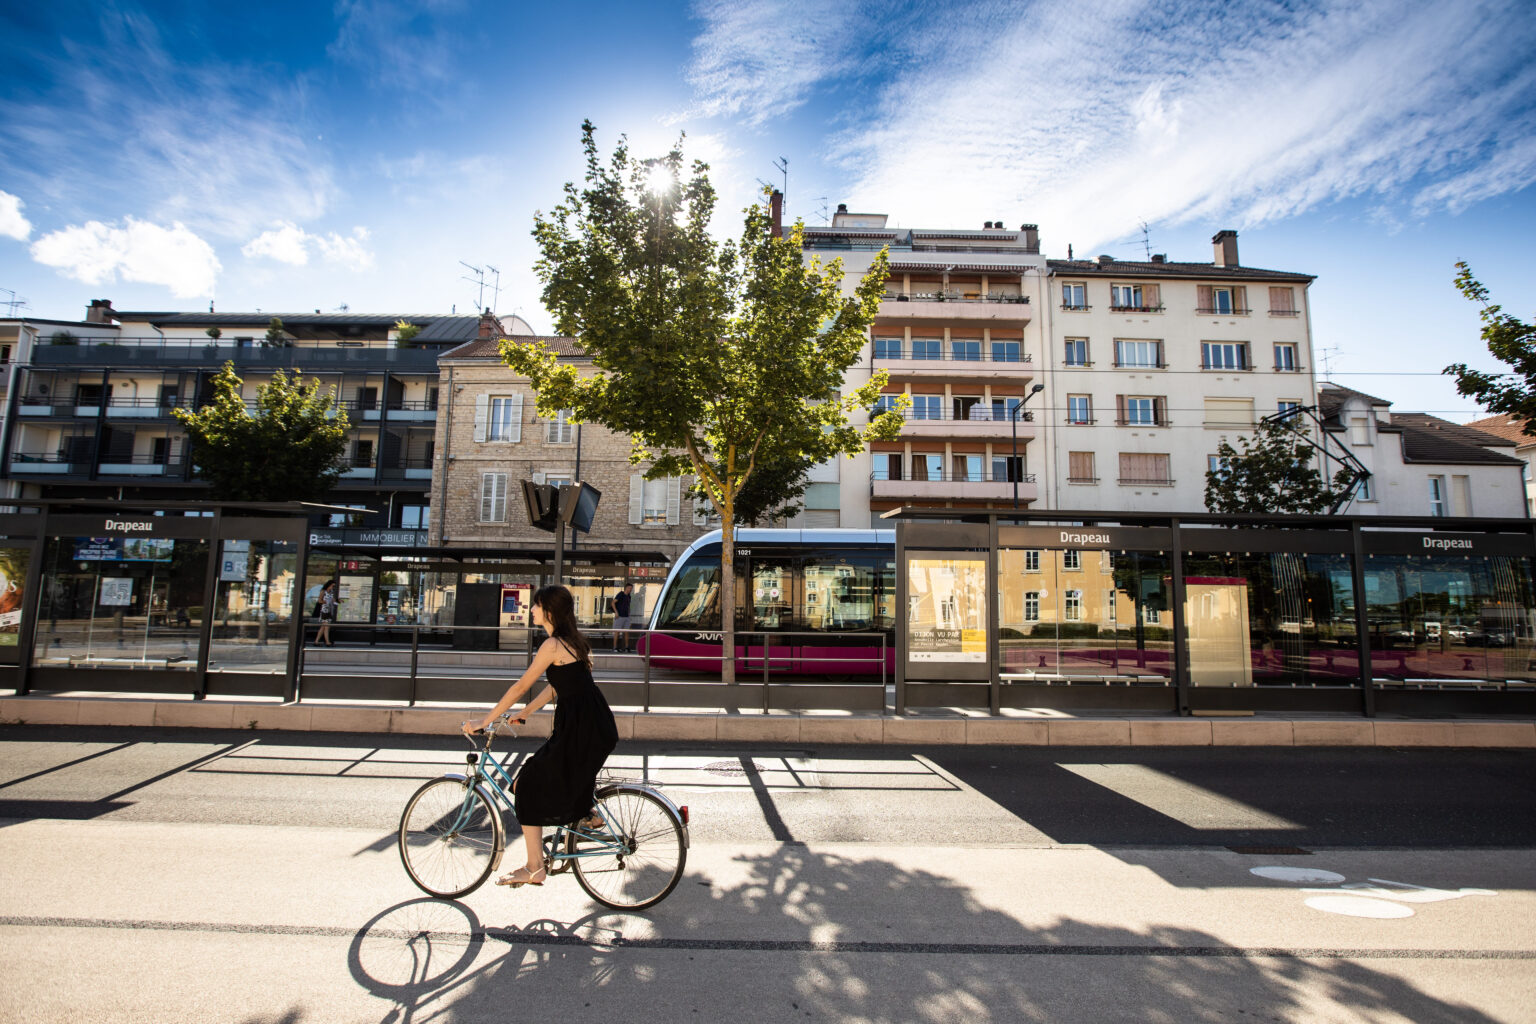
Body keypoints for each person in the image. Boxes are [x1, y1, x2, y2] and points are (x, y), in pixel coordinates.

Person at [463, 584, 618, 888]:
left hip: (581, 728)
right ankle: (587, 812)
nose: (530, 609)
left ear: (548, 610)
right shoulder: (574, 643)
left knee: (526, 785)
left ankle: (535, 867)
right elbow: (557, 687)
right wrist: (527, 712)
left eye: (535, 605)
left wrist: (484, 720)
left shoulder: (552, 646)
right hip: (593, 724)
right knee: (542, 778)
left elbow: (521, 685)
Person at [612, 582, 634, 652]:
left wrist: (629, 616)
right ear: (626, 588)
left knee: (627, 632)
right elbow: (613, 602)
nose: (630, 589)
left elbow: (628, 606)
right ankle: (615, 647)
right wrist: (616, 612)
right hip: (619, 616)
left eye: (631, 588)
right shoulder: (621, 594)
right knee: (617, 632)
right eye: (629, 588)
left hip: (626, 617)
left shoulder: (629, 596)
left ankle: (626, 647)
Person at [315, 580, 337, 647]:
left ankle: (316, 641)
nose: (333, 587)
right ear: (329, 585)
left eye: (334, 586)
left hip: (329, 610)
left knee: (323, 627)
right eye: (332, 586)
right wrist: (324, 602)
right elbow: (319, 600)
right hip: (324, 610)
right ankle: (327, 642)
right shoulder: (323, 591)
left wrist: (337, 601)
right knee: (327, 626)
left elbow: (333, 600)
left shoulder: (331, 592)